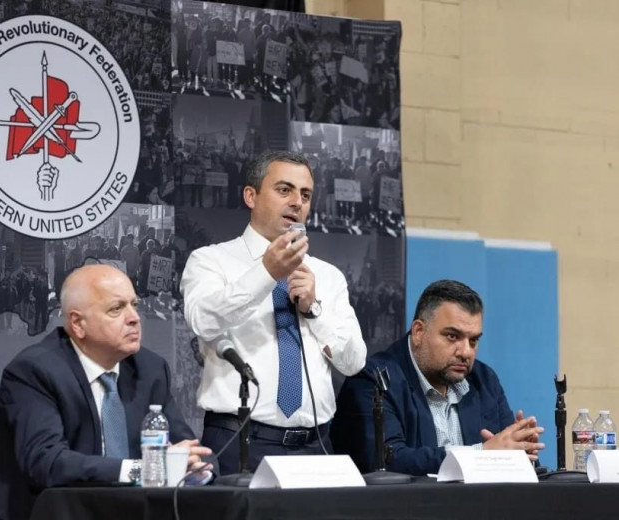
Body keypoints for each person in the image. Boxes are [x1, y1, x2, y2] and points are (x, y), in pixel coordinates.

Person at [181, 150, 366, 474]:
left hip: (316, 446)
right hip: (239, 441)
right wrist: (267, 273)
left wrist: (314, 310)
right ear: (250, 196)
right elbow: (203, 321)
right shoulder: (210, 260)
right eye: (284, 190)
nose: (297, 202)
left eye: (305, 195)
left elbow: (353, 363)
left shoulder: (328, 276)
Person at [0, 265, 213, 520]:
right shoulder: (34, 371)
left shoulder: (150, 369)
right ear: (77, 323)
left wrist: (192, 465)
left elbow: (192, 449)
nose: (134, 318)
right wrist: (144, 469)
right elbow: (46, 462)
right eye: (116, 309)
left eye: (134, 305)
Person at [331, 280, 545, 476]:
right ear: (418, 332)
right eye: (452, 336)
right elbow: (388, 460)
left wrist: (520, 452)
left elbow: (503, 451)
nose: (466, 352)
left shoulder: (484, 380)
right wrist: (482, 455)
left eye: (473, 341)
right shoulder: (374, 379)